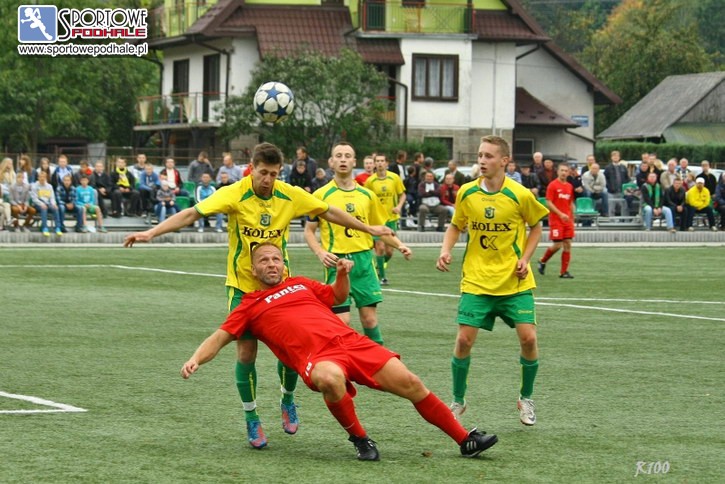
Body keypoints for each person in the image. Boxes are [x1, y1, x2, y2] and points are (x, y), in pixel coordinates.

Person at [124, 142, 392, 450]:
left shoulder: (289, 194)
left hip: (281, 289)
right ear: (251, 169)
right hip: (243, 287)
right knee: (245, 354)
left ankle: (287, 399)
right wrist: (151, 233)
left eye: (274, 174)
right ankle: (251, 416)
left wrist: (367, 228)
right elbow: (191, 214)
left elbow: (328, 211)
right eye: (263, 173)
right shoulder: (234, 193)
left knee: (292, 354)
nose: (268, 180)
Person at [181, 243, 498, 461]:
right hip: (317, 358)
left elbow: (336, 296)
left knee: (411, 383)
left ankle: (464, 440)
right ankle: (360, 439)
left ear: (284, 265)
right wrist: (196, 359)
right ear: (253, 270)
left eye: (276, 259)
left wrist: (343, 274)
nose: (271, 264)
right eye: (264, 260)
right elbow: (219, 337)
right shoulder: (249, 305)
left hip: (352, 343)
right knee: (331, 379)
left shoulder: (301, 284)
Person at [436, 135, 548, 427]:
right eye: (480, 155)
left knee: (529, 338)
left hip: (514, 282)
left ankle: (526, 398)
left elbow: (536, 227)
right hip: (477, 280)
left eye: (488, 156)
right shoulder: (467, 193)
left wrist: (526, 258)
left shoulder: (520, 194)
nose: (482, 161)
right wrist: (446, 250)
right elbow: (455, 226)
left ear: (504, 161)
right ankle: (458, 401)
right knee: (463, 340)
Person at [304, 141, 412, 346]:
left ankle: (378, 363)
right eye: (338, 156)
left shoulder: (367, 195)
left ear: (355, 162)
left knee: (369, 320)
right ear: (331, 162)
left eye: (347, 156)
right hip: (337, 263)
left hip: (364, 262)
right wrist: (320, 252)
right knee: (341, 322)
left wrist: (400, 245)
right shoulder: (320, 196)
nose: (343, 160)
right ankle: (344, 362)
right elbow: (309, 231)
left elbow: (379, 229)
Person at [364, 153, 406, 285]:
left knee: (389, 251)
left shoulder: (394, 178)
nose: (380, 163)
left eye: (382, 161)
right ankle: (382, 277)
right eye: (377, 161)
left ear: (387, 163)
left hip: (391, 219)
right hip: (377, 220)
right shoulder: (370, 181)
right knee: (380, 248)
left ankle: (378, 267)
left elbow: (402, 195)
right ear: (374, 164)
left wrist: (398, 206)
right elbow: (366, 199)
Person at [538, 163, 575, 279]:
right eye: (562, 170)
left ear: (568, 173)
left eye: (566, 171)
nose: (564, 173)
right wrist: (560, 214)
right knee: (558, 245)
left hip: (567, 220)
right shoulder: (552, 185)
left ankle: (563, 272)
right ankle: (542, 260)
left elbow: (570, 203)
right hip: (556, 220)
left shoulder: (569, 186)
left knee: (568, 244)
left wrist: (572, 218)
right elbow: (548, 202)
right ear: (558, 172)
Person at [30, 170, 61, 236]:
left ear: (46, 178)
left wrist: (54, 204)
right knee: (44, 208)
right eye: (40, 177)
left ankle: (58, 227)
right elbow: (34, 199)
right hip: (37, 204)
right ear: (38, 178)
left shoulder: (49, 186)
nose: (42, 178)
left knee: (55, 208)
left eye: (44, 177)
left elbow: (52, 197)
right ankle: (44, 228)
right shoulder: (34, 186)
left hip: (48, 204)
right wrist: (42, 204)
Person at [604, 150, 629, 216]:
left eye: (617, 156)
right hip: (611, 192)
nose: (615, 157)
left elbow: (627, 178)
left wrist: (625, 188)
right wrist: (609, 187)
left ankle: (624, 220)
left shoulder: (623, 167)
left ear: (619, 157)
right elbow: (605, 179)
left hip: (622, 191)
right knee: (611, 208)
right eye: (614, 156)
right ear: (611, 157)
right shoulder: (608, 168)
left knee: (624, 208)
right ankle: (612, 220)